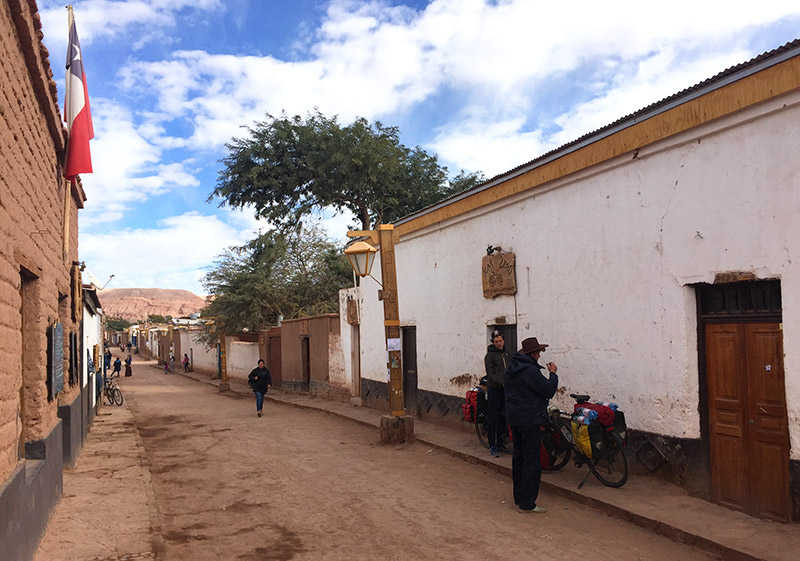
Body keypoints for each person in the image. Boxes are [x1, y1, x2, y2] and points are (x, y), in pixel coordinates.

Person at [504, 337, 558, 514]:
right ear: (534, 354)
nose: (539, 355)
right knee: (532, 461)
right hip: (530, 419)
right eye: (539, 352)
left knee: (518, 457)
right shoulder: (530, 371)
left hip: (515, 418)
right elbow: (548, 390)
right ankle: (528, 502)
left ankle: (519, 497)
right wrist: (553, 374)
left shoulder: (512, 369)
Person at [484, 330, 511, 458]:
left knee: (503, 417)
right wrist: (503, 382)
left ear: (503, 340)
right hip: (495, 389)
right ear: (493, 343)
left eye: (500, 341)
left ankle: (500, 443)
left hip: (505, 391)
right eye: (496, 342)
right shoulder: (489, 356)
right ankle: (492, 446)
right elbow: (491, 374)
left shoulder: (507, 354)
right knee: (492, 418)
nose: (499, 343)